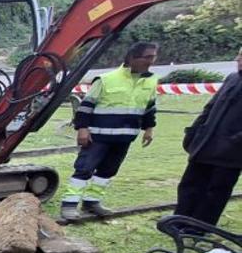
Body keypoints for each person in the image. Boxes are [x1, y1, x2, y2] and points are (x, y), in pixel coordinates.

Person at [59, 42, 159, 222]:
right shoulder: (106, 79)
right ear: (132, 57)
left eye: (153, 57)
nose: (151, 62)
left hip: (124, 137)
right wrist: (82, 129)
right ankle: (69, 204)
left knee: (108, 170)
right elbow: (86, 107)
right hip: (98, 136)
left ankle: (91, 202)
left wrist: (148, 130)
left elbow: (149, 108)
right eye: (147, 57)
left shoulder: (150, 81)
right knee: (84, 169)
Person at [175, 48, 242, 226]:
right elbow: (209, 107)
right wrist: (194, 131)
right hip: (206, 143)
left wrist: (234, 141)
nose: (237, 58)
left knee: (215, 191)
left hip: (232, 153)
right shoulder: (232, 78)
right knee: (190, 184)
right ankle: (179, 220)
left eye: (241, 55)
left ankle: (200, 227)